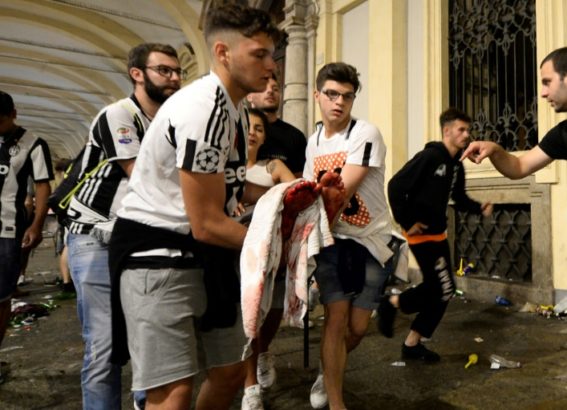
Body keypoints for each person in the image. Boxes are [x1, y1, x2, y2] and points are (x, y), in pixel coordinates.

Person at [108, 5, 282, 409]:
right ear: (223, 53)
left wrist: (293, 197)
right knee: (172, 393)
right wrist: (276, 245)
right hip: (158, 256)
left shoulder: (236, 108)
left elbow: (230, 188)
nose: (271, 66)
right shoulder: (203, 108)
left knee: (230, 372)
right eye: (259, 54)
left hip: (204, 255)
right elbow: (206, 223)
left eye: (272, 54)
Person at [65, 43, 183, 409]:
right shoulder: (119, 114)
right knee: (104, 344)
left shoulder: (169, 121)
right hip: (95, 234)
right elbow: (142, 175)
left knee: (146, 337)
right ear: (137, 74)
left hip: (136, 236)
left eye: (178, 71)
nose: (175, 78)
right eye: (164, 70)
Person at [304, 62, 394, 410]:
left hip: (371, 240)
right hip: (333, 240)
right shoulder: (313, 143)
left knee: (356, 329)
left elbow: (340, 193)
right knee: (335, 319)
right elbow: (310, 193)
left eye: (347, 96)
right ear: (317, 95)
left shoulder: (365, 133)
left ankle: (329, 369)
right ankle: (336, 399)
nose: (339, 102)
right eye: (331, 94)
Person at [381, 108, 493, 363]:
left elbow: (459, 198)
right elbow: (396, 185)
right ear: (447, 131)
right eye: (461, 130)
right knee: (442, 289)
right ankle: (394, 305)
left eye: (468, 130)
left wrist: (479, 208)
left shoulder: (457, 165)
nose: (466, 135)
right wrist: (406, 221)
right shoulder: (430, 157)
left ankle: (411, 340)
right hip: (421, 235)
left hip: (438, 234)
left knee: (443, 290)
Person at [241, 108, 296, 409]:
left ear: (265, 137)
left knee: (274, 310)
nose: (253, 132)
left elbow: (296, 193)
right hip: (238, 249)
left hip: (273, 247)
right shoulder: (227, 166)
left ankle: (263, 351)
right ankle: (250, 386)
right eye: (248, 126)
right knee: (247, 315)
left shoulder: (273, 165)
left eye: (259, 128)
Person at [0, 91, 53, 384]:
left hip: (7, 230)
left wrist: (36, 224)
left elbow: (43, 186)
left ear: (13, 114)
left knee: (2, 297)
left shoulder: (33, 143)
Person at [461, 47, 567, 178]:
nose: (543, 93)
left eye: (547, 82)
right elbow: (519, 167)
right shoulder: (562, 134)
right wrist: (494, 150)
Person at [247, 73, 307, 176]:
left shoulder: (295, 136)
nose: (270, 91)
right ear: (249, 96)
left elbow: (299, 179)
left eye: (275, 89)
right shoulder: (237, 128)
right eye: (263, 87)